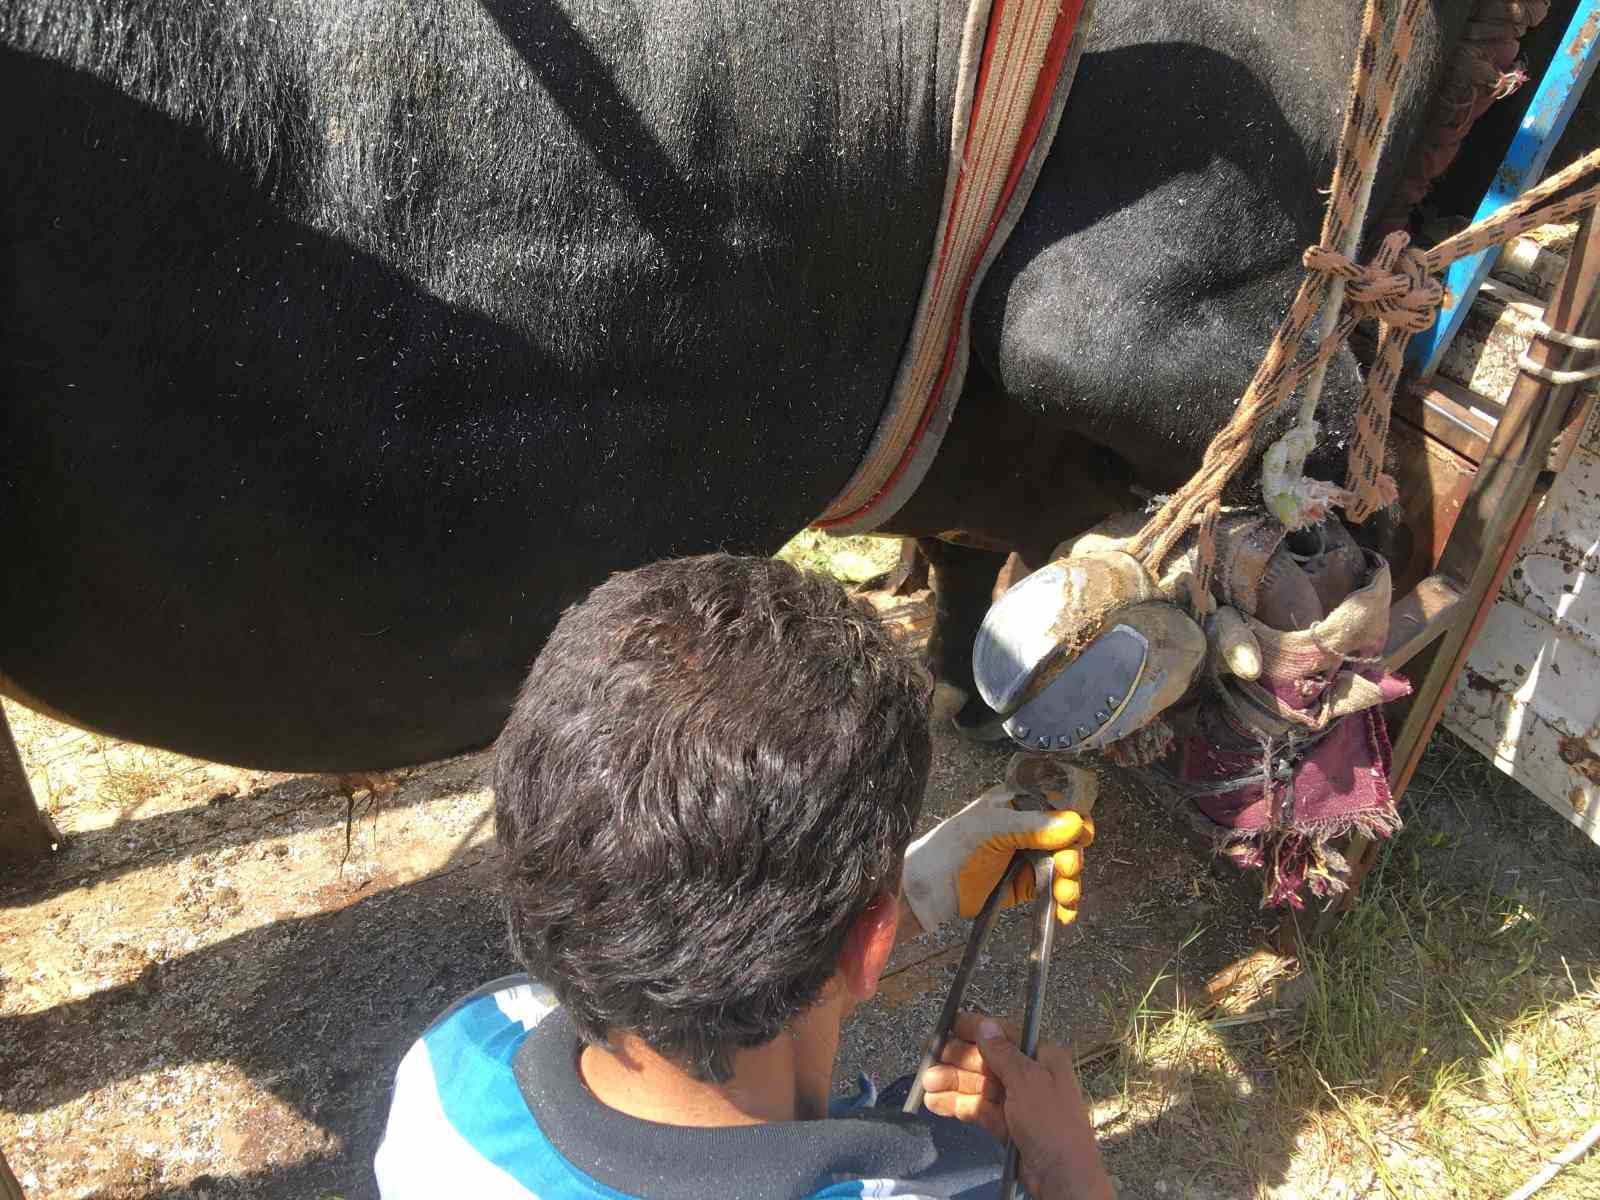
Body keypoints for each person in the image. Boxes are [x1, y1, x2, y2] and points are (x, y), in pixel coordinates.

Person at [375, 554, 1111, 1200]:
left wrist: (921, 886)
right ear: (870, 944)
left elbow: (679, 932)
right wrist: (1070, 1174)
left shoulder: (454, 1061)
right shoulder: (963, 1185)